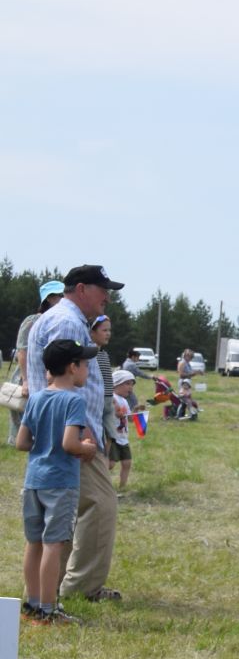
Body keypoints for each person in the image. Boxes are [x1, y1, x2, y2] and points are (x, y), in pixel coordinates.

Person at [27, 266, 125, 604]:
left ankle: (45, 593)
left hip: (58, 437)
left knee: (61, 517)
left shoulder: (66, 319)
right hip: (71, 440)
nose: (108, 298)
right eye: (103, 290)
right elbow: (65, 382)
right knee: (99, 506)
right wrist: (82, 438)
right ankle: (80, 589)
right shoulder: (68, 323)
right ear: (81, 289)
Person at [15, 338, 100, 623]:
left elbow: (21, 442)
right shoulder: (74, 400)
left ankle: (33, 605)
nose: (87, 370)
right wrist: (86, 448)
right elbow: (68, 444)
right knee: (54, 544)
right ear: (72, 367)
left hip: (34, 480)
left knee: (33, 542)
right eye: (85, 364)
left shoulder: (37, 397)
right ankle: (49, 612)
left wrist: (44, 444)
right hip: (61, 483)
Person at [8, 279, 63, 445]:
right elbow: (22, 350)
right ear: (50, 299)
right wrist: (25, 380)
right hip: (28, 375)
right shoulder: (33, 320)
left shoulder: (58, 320)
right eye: (60, 295)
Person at [108, 369, 137, 492]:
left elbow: (129, 419)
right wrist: (117, 411)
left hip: (123, 438)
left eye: (132, 384)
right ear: (116, 383)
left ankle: (122, 487)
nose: (130, 388)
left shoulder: (125, 400)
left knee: (127, 463)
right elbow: (116, 413)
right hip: (113, 436)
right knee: (110, 464)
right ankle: (103, 485)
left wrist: (136, 412)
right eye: (127, 384)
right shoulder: (112, 398)